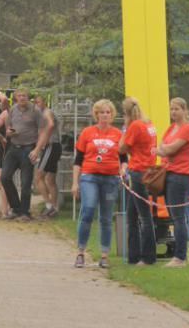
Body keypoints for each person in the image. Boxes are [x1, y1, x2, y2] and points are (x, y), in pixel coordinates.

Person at [73, 99, 123, 268]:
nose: (105, 115)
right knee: (88, 209)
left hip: (110, 178)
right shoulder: (87, 133)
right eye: (101, 112)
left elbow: (124, 158)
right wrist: (75, 182)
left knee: (106, 217)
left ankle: (104, 254)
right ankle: (80, 251)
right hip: (89, 176)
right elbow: (78, 160)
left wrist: (123, 169)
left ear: (112, 115)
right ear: (96, 115)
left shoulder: (118, 134)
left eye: (108, 112)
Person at [156, 97, 189, 267]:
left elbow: (170, 149)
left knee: (179, 217)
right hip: (168, 173)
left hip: (181, 175)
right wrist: (164, 150)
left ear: (184, 110)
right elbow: (161, 147)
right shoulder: (172, 128)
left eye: (177, 109)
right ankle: (179, 254)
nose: (173, 112)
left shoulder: (188, 129)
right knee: (174, 216)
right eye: (171, 109)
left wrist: (165, 150)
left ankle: (180, 256)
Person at [120, 97, 156, 266]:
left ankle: (148, 257)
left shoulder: (135, 126)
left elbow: (122, 148)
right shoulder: (148, 124)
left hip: (138, 170)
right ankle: (133, 256)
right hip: (148, 169)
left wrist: (125, 128)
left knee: (144, 216)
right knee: (132, 215)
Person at [1, 88, 44, 221]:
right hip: (13, 147)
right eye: (19, 96)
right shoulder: (13, 109)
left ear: (28, 97)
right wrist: (9, 131)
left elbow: (42, 131)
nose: (22, 98)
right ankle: (16, 208)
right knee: (5, 177)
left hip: (28, 148)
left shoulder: (35, 111)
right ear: (15, 98)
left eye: (24, 95)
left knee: (26, 182)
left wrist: (37, 150)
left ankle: (25, 213)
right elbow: (8, 126)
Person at [35, 101, 60, 218]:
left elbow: (50, 125)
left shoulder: (46, 112)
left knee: (39, 176)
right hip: (55, 145)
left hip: (51, 145)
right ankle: (54, 207)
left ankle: (49, 205)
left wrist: (44, 139)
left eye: (38, 102)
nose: (36, 105)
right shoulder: (43, 113)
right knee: (50, 179)